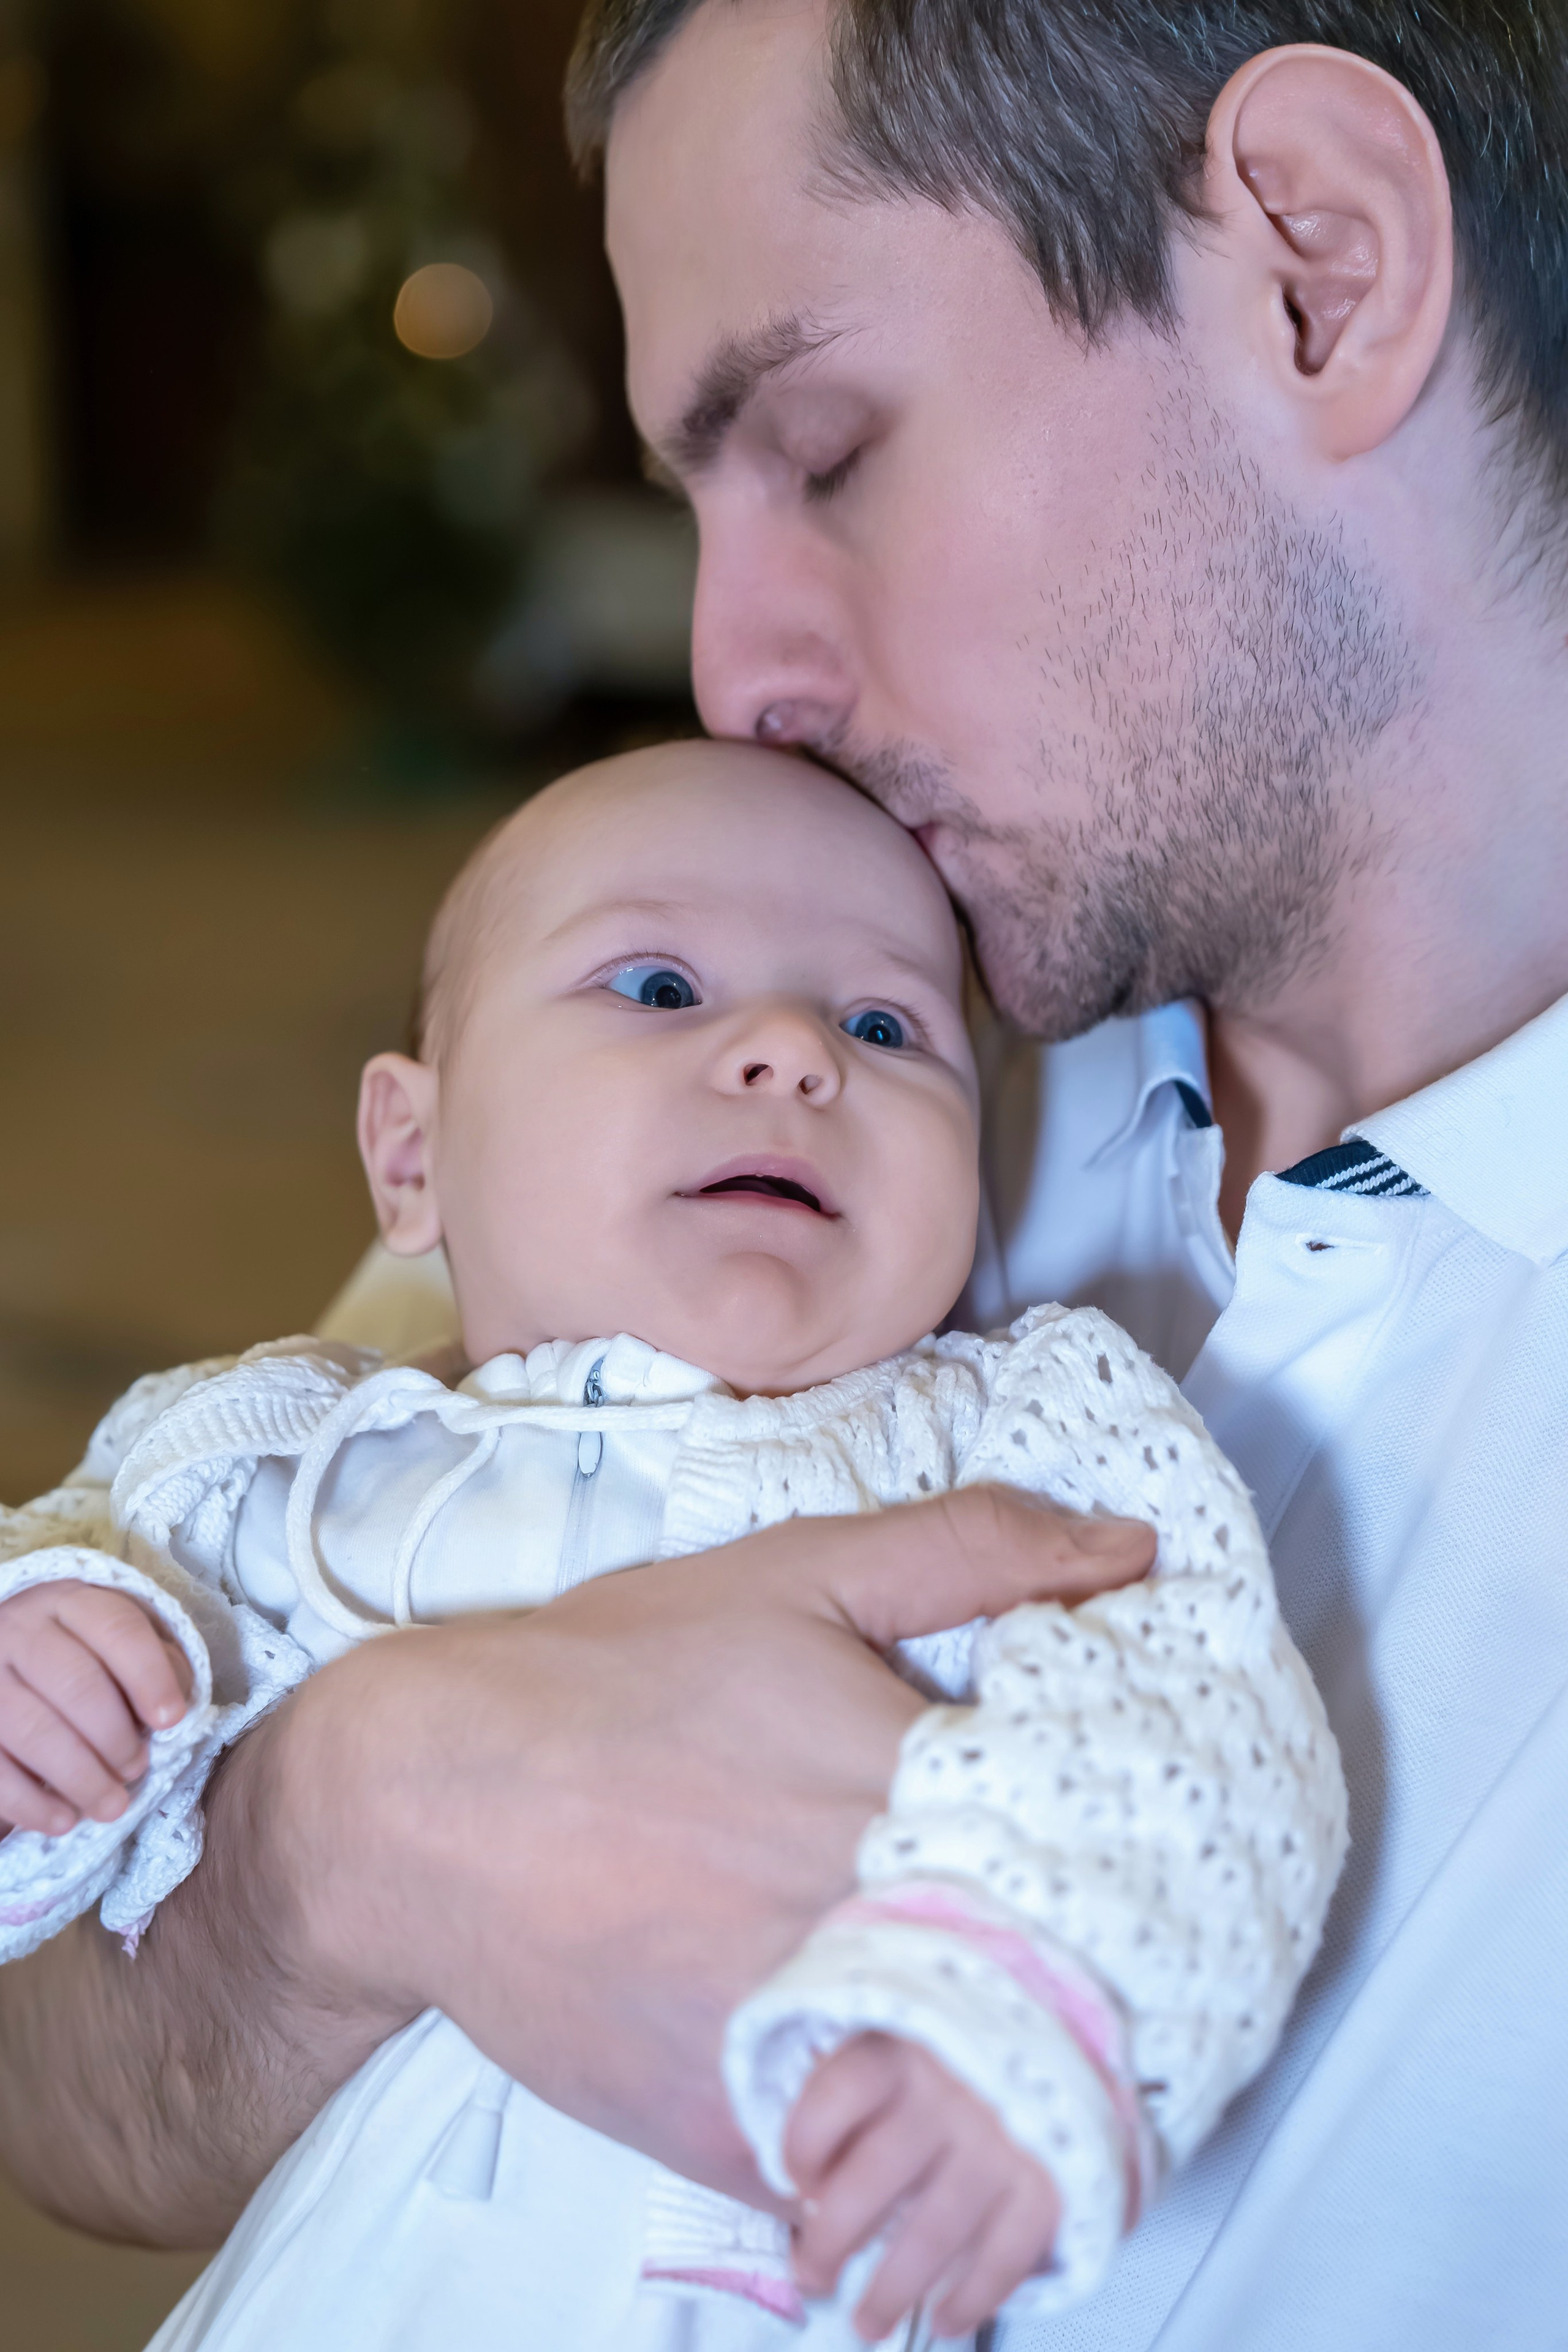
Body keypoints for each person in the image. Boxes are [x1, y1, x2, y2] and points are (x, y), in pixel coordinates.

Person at [2, 3, 1566, 2345]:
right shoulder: (759, 1051)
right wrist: (382, 1815)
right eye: (690, 499)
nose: (735, 679)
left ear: (1315, 269)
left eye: (826, 449)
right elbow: (57, 2088)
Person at [0, 744, 1345, 2350]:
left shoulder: (1017, 1434)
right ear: (412, 1159)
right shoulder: (287, 1453)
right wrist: (51, 1683)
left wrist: (1036, 2022)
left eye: (882, 1026)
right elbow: (96, 1683)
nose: (787, 1051)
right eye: (655, 986)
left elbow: (1194, 1734)